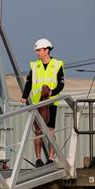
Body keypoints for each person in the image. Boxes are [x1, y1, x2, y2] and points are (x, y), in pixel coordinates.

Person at [21, 38, 65, 167]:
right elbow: (29, 83)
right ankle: (38, 159)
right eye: (36, 51)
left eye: (39, 50)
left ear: (47, 50)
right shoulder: (34, 66)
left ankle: (51, 157)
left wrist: (52, 92)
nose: (37, 53)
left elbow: (61, 84)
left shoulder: (57, 64)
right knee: (38, 131)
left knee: (50, 130)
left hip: (51, 103)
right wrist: (24, 96)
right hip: (37, 103)